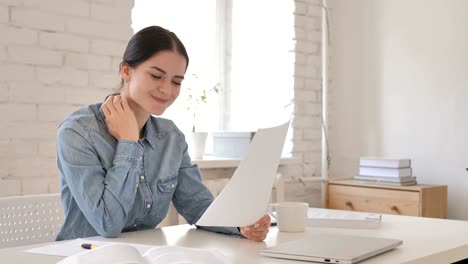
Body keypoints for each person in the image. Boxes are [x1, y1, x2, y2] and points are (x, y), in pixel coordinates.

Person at [55, 25, 270, 242]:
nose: (167, 90)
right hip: (82, 255)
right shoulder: (78, 132)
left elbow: (197, 206)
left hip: (144, 254)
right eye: (156, 76)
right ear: (126, 71)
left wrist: (240, 224)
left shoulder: (170, 137)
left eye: (176, 82)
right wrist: (128, 142)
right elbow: (107, 223)